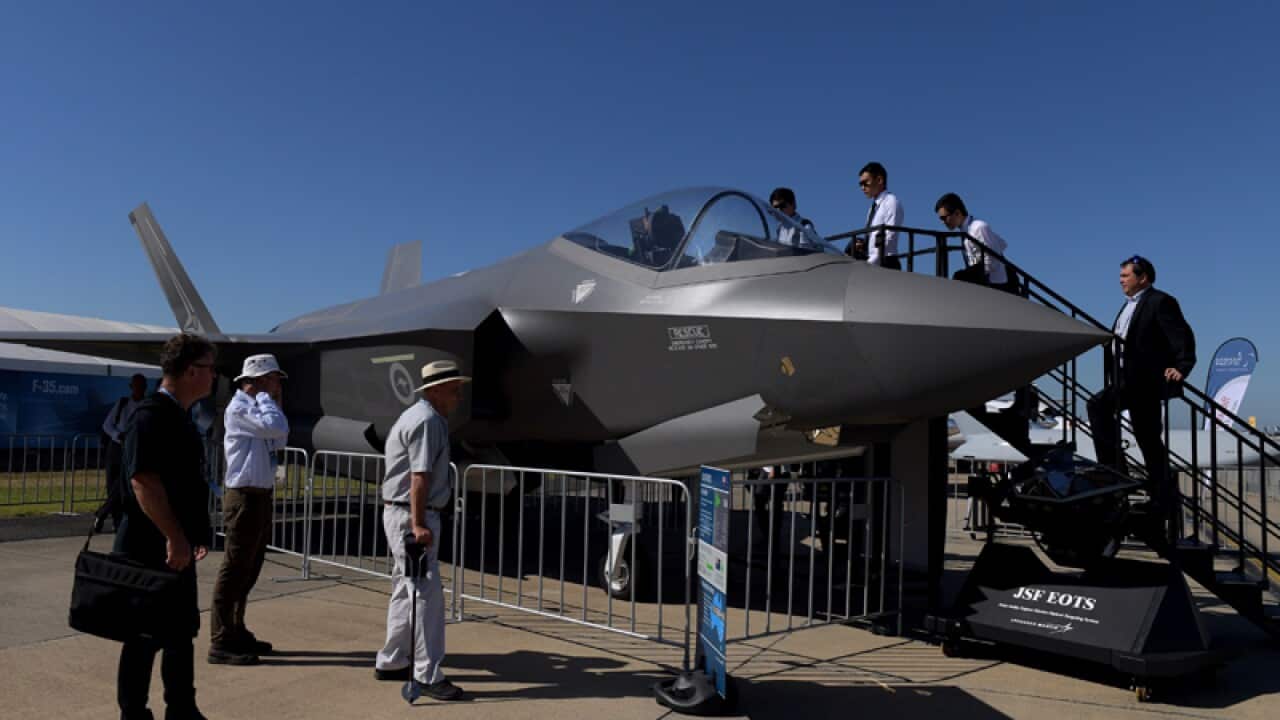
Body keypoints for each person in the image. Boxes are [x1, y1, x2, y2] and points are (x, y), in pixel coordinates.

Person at [115, 333, 218, 720]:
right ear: (192, 371)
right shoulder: (150, 416)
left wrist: (194, 535)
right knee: (143, 636)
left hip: (176, 547)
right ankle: (134, 713)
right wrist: (175, 537)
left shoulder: (179, 417)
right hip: (148, 547)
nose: (214, 377)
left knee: (179, 632)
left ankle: (182, 709)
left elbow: (183, 485)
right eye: (210, 369)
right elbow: (144, 482)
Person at [374, 360, 469, 701]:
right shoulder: (427, 421)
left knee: (405, 588)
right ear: (435, 389)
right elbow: (419, 477)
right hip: (413, 515)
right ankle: (427, 673)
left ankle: (392, 659)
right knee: (426, 594)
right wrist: (418, 524)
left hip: (404, 513)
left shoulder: (421, 416)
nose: (459, 393)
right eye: (453, 387)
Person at [1087, 256, 1196, 520]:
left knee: (1104, 409)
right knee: (1146, 438)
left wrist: (1181, 366)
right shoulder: (1128, 306)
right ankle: (1155, 494)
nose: (1121, 280)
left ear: (1143, 277)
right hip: (1125, 379)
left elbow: (1181, 334)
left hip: (1144, 381)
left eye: (1126, 275)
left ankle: (1120, 473)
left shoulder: (1160, 301)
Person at [208, 354, 289, 665]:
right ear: (256, 381)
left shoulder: (257, 407)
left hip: (260, 495)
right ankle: (221, 639)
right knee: (234, 568)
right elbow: (275, 425)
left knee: (250, 567)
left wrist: (268, 402)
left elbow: (281, 436)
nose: (277, 385)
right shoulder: (240, 407)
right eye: (272, 379)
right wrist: (267, 399)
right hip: (243, 496)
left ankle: (236, 628)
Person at [96, 373, 148, 532]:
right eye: (135, 386)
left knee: (121, 486)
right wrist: (118, 435)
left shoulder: (146, 406)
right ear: (131, 387)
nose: (138, 389)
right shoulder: (122, 404)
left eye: (141, 386)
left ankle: (103, 514)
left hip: (132, 449)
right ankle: (115, 519)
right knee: (113, 485)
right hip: (116, 447)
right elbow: (107, 425)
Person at [935, 193, 1011, 290]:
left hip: (997, 285)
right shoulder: (965, 231)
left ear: (957, 213)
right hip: (987, 282)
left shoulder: (978, 227)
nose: (943, 222)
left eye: (944, 218)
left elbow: (993, 258)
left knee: (959, 277)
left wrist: (974, 276)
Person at [851, 162, 903, 269]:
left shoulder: (891, 202)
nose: (862, 188)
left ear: (879, 180)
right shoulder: (873, 208)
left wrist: (869, 264)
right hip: (874, 262)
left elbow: (889, 237)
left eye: (865, 183)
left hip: (886, 262)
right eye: (860, 184)